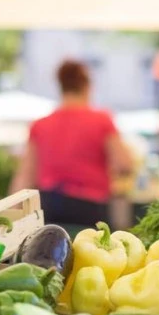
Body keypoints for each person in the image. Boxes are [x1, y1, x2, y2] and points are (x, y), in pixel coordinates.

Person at [12, 59, 133, 227]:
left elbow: (25, 175)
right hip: (90, 207)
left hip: (49, 205)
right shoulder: (102, 120)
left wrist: (14, 216)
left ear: (61, 86)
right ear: (87, 86)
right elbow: (124, 164)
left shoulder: (40, 125)